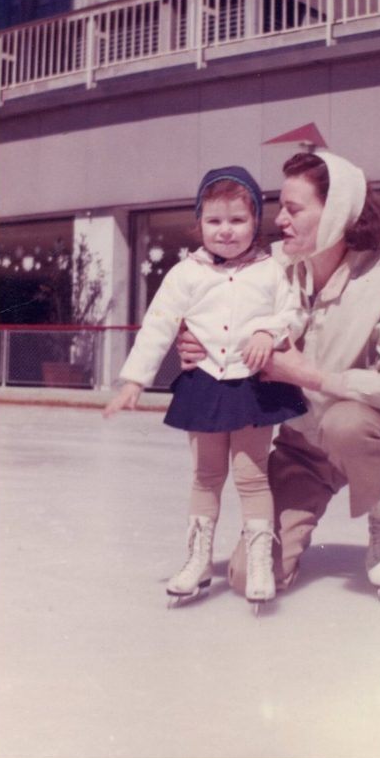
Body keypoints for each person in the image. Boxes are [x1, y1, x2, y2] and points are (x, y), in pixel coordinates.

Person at [178, 150, 380, 597]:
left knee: (345, 422)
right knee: (245, 577)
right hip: (303, 448)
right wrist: (194, 341)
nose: (280, 220)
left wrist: (312, 376)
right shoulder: (266, 266)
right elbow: (204, 292)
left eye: (294, 209)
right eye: (281, 208)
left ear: (335, 214)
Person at [104, 165, 307, 606]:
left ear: (257, 221)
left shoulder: (273, 270)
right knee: (205, 475)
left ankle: (258, 561)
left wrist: (268, 332)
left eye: (238, 220)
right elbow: (158, 324)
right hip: (205, 383)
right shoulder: (186, 273)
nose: (226, 231)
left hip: (253, 386)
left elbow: (294, 312)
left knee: (251, 476)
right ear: (199, 224)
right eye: (215, 221)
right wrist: (134, 379)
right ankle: (198, 559)